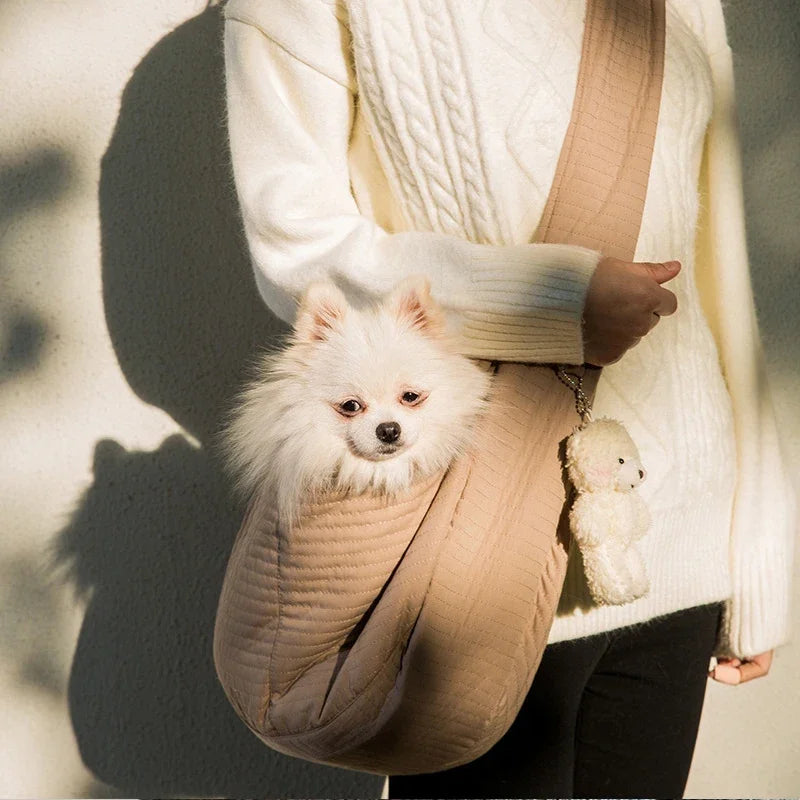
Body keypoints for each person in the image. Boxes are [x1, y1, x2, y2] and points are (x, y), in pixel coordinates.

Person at [220, 0, 796, 796]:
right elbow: (299, 245)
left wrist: (758, 553)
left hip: (679, 541)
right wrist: (546, 301)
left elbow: (718, 271)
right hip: (475, 557)